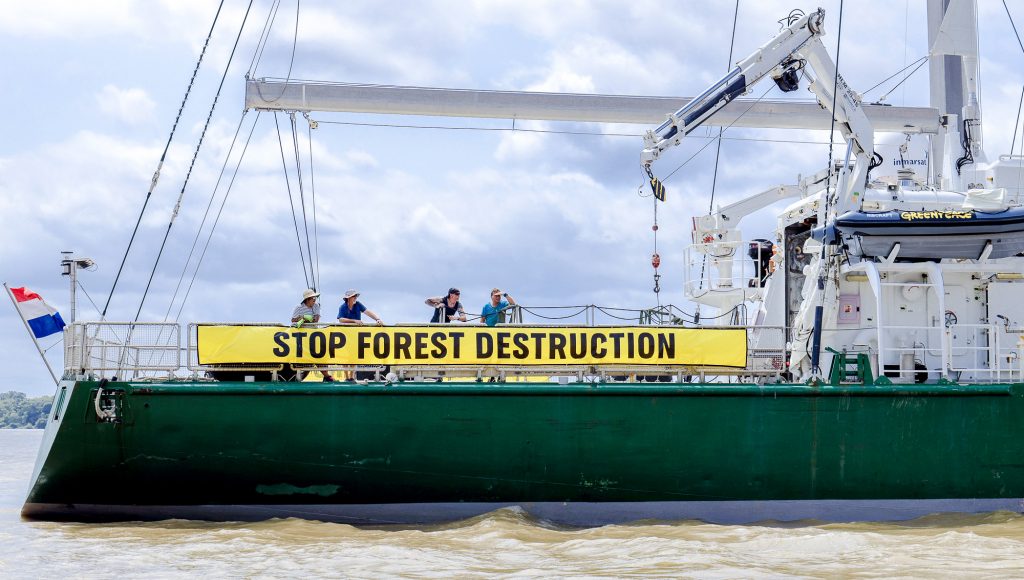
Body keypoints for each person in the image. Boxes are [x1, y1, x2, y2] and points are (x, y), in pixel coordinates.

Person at [290, 289, 334, 382]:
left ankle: (326, 376)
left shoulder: (316, 306)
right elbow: (293, 320)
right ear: (308, 299)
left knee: (318, 355)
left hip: (312, 336)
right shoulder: (298, 307)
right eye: (313, 298)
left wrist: (303, 319)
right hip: (300, 336)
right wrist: (303, 318)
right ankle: (325, 376)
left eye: (315, 298)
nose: (315, 300)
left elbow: (316, 319)